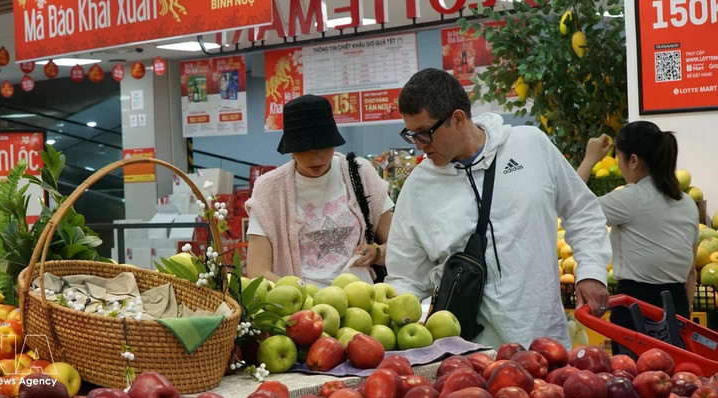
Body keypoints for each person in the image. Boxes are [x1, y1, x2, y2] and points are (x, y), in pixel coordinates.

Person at [385, 68, 611, 348]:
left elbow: (582, 211)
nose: (419, 146)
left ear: (457, 119)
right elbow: (406, 276)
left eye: (424, 133)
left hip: (544, 342)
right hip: (469, 356)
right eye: (412, 135)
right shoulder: (418, 187)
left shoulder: (531, 146)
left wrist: (591, 272)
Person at [245, 94, 393, 286]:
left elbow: (399, 246)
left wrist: (377, 253)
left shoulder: (360, 174)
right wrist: (302, 294)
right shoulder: (269, 190)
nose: (316, 158)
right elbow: (257, 272)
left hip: (362, 300)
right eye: (304, 149)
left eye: (324, 147)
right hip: (302, 305)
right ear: (291, 148)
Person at [576, 122, 698, 353]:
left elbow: (573, 205)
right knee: (675, 381)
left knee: (635, 381)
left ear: (633, 160)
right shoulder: (688, 203)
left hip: (635, 309)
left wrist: (589, 160)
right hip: (678, 306)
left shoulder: (631, 199)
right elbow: (690, 271)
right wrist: (683, 318)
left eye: (619, 158)